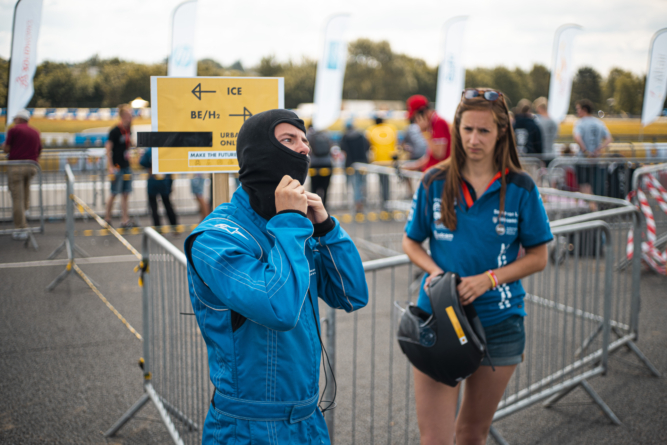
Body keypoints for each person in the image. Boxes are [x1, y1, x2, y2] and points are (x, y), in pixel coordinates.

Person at [184, 109, 369, 444]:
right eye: (288, 140)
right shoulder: (216, 238)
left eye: (304, 141)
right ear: (258, 153)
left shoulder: (297, 224)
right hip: (249, 426)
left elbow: (352, 294)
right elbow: (279, 309)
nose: (303, 149)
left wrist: (327, 229)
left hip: (308, 419)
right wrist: (289, 225)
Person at [402, 88, 552, 445]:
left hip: (500, 323)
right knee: (435, 439)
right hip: (439, 319)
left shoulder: (521, 187)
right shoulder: (434, 181)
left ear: (502, 132)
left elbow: (538, 257)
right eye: (466, 129)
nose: (473, 139)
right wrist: (434, 271)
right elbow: (411, 240)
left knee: (471, 434)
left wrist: (489, 279)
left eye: (483, 131)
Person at [2, 109, 42, 240]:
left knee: (17, 198)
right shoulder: (36, 131)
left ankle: (21, 227)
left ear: (19, 119)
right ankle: (25, 214)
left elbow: (6, 148)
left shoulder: (14, 130)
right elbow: (39, 149)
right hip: (32, 166)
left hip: (16, 167)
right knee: (25, 194)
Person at [573, 99, 613, 195]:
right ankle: (594, 204)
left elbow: (577, 137)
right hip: (596, 159)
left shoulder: (580, 123)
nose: (577, 111)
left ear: (584, 110)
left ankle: (589, 206)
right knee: (595, 185)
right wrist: (599, 150)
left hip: (583, 159)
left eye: (578, 109)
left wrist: (585, 151)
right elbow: (609, 139)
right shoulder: (599, 123)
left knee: (584, 185)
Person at [104, 104, 135, 228]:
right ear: (122, 116)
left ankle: (124, 219)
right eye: (128, 114)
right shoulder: (115, 131)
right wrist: (110, 166)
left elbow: (129, 144)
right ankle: (107, 217)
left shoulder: (129, 129)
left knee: (125, 193)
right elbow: (108, 148)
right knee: (114, 192)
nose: (131, 117)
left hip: (126, 165)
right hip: (117, 166)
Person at [405, 95, 451, 172]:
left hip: (439, 175)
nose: (416, 122)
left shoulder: (438, 123)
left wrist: (425, 132)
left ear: (422, 113)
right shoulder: (432, 124)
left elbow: (439, 154)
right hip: (434, 173)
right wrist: (413, 166)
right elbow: (430, 155)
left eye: (415, 118)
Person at [139, 147, 178, 230]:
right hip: (164, 181)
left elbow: (142, 162)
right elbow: (171, 166)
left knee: (154, 207)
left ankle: (158, 228)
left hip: (153, 181)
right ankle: (174, 227)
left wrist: (150, 165)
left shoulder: (150, 150)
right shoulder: (165, 150)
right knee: (167, 204)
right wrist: (171, 183)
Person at [366, 116, 397, 209]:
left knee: (381, 181)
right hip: (389, 160)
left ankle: (384, 201)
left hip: (378, 160)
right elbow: (396, 142)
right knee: (387, 182)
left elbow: (368, 144)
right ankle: (387, 200)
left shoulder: (371, 130)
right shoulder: (391, 129)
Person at [340, 121, 370, 213]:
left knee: (355, 185)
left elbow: (343, 150)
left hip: (351, 164)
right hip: (363, 162)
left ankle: (358, 204)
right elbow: (368, 146)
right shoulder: (361, 135)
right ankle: (362, 201)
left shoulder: (345, 137)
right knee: (362, 183)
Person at [306, 124, 333, 208]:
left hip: (315, 165)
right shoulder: (327, 135)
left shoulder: (310, 135)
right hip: (327, 164)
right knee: (325, 188)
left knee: (314, 188)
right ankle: (324, 207)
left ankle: (314, 207)